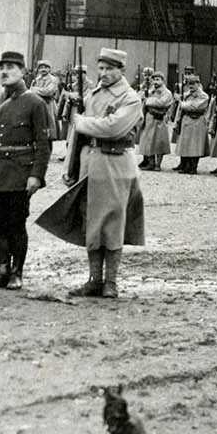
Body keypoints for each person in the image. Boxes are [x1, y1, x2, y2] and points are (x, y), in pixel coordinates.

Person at [63, 48, 143, 299]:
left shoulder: (131, 98)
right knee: (92, 223)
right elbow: (78, 138)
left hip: (117, 163)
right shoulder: (92, 95)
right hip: (92, 163)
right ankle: (94, 280)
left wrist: (82, 122)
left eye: (110, 68)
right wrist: (71, 167)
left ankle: (111, 282)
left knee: (113, 223)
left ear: (122, 70)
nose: (104, 73)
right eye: (101, 68)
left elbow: (114, 128)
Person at [0, 50, 50, 290]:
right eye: (1, 68)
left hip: (19, 173)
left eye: (11, 68)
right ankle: (1, 270)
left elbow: (43, 144)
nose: (4, 72)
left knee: (16, 224)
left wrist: (36, 175)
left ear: (23, 71)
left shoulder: (35, 103)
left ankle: (17, 272)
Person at [173, 72, 210, 173]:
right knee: (185, 144)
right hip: (186, 121)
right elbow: (180, 110)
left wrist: (181, 102)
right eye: (190, 84)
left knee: (195, 146)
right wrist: (177, 121)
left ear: (198, 84)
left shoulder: (204, 96)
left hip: (197, 122)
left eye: (194, 84)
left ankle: (193, 167)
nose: (191, 86)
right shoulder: (186, 95)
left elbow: (194, 106)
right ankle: (185, 165)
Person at [136, 71, 174, 172]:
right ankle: (150, 162)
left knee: (159, 142)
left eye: (158, 79)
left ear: (163, 80)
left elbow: (162, 103)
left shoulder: (166, 92)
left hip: (159, 119)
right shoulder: (151, 91)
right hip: (149, 119)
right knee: (149, 142)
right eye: (154, 79)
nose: (155, 82)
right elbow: (141, 98)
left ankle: (158, 164)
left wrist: (148, 101)